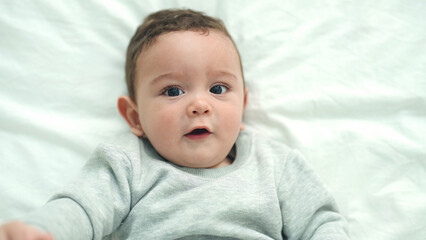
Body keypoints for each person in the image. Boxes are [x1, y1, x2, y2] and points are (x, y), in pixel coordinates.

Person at [0, 9, 349, 240]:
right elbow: (82, 209)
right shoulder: (127, 164)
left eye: (217, 89)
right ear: (135, 118)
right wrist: (42, 230)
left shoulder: (275, 164)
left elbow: (321, 223)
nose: (199, 104)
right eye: (172, 90)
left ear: (241, 107)